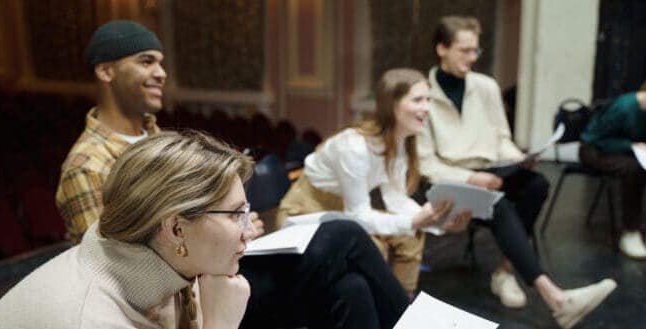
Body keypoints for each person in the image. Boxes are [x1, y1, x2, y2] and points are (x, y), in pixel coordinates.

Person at [56, 20, 410, 329]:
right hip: (192, 298)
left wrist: (232, 227)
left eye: (161, 63)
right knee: (344, 233)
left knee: (351, 288)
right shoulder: (87, 166)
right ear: (106, 72)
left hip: (217, 264)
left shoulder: (160, 139)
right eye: (146, 62)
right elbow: (119, 277)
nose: (162, 73)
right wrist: (217, 239)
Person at [416, 15, 616, 328]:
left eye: (475, 52)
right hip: (452, 181)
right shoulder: (422, 96)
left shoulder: (486, 87)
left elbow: (501, 139)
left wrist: (519, 157)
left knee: (536, 184)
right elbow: (427, 164)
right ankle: (555, 298)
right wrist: (472, 178)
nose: (472, 58)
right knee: (500, 204)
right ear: (441, 49)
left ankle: (505, 270)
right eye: (464, 51)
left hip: (493, 170)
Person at [0, 132, 255, 328]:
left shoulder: (164, 270)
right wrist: (221, 325)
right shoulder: (88, 317)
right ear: (176, 229)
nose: (249, 230)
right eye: (234, 214)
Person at [277, 68, 472, 294]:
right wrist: (415, 221)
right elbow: (358, 215)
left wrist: (436, 221)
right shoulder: (354, 146)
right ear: (392, 104)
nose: (427, 108)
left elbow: (395, 199)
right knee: (374, 248)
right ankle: (380, 309)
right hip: (305, 212)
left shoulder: (400, 142)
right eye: (418, 100)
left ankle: (401, 306)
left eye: (428, 100)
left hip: (342, 212)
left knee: (411, 235)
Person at [580, 80, 646, 259]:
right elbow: (597, 139)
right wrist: (631, 145)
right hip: (594, 150)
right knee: (634, 169)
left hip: (626, 150)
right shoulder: (624, 107)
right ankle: (630, 231)